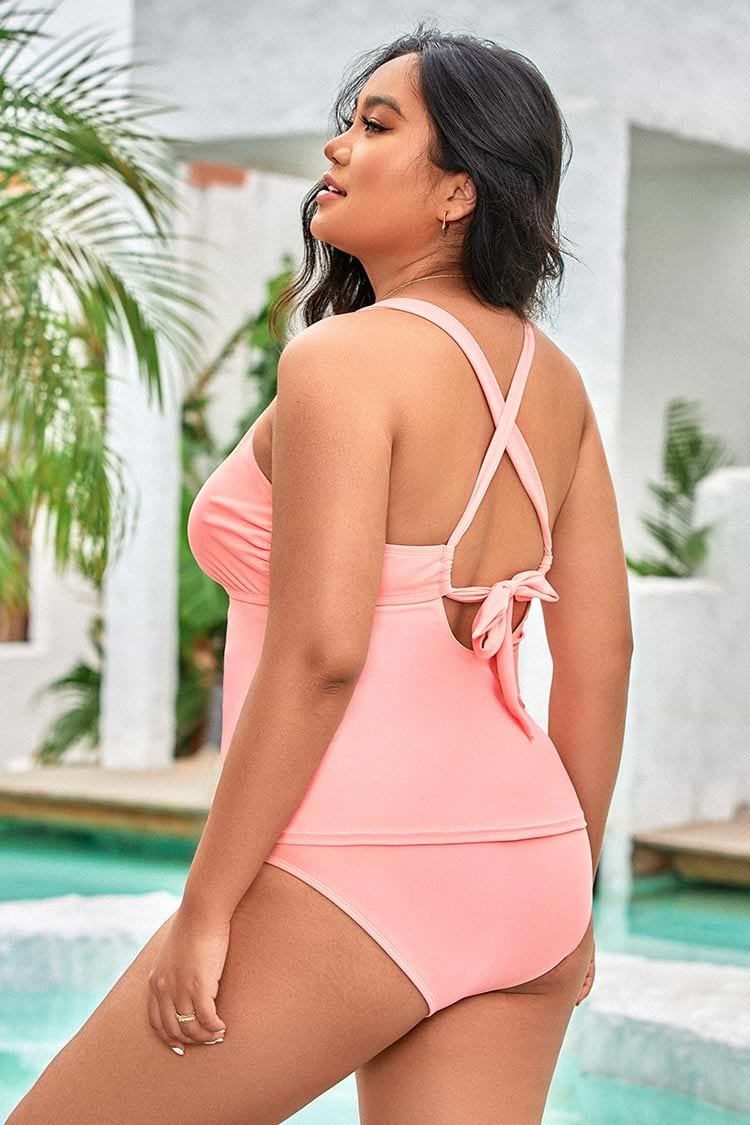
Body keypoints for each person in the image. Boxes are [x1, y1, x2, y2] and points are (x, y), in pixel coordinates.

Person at [9, 22, 632, 1125]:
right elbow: (603, 655)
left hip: (355, 864)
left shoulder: (343, 359)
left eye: (377, 126)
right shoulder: (556, 382)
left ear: (459, 192)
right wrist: (565, 884)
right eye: (348, 122)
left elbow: (323, 655)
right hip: (530, 865)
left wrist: (208, 905)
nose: (337, 148)